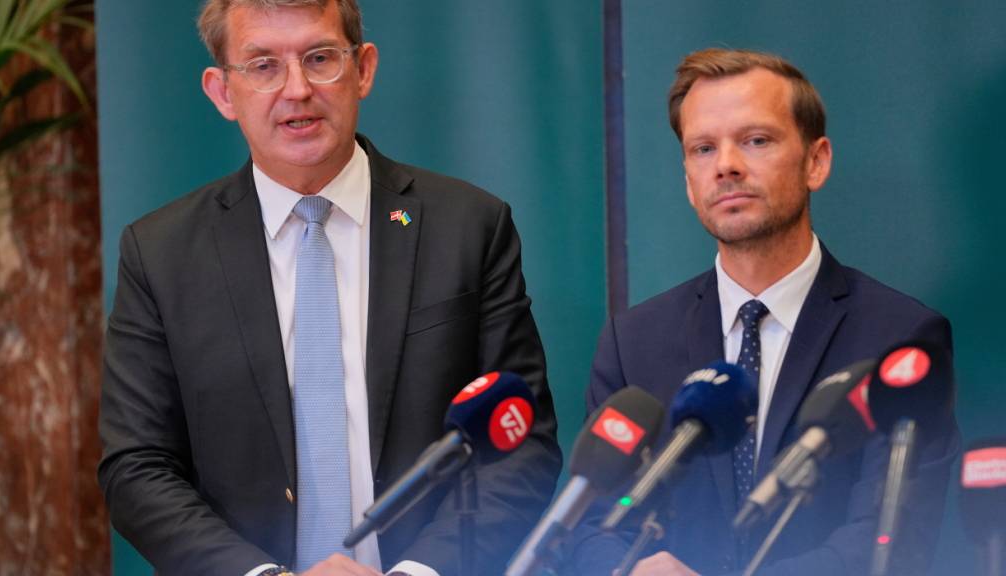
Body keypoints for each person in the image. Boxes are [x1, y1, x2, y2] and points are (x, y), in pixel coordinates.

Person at [97, 1, 561, 575]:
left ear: (363, 69)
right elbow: (137, 466)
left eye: (320, 58)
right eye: (263, 65)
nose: (297, 89)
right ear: (221, 92)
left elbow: (519, 442)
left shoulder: (469, 227)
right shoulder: (160, 253)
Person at [571, 48, 958, 575]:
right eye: (703, 148)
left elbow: (892, 540)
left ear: (816, 161)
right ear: (688, 181)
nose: (726, 165)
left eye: (756, 140)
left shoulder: (901, 337)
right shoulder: (634, 342)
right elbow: (593, 524)